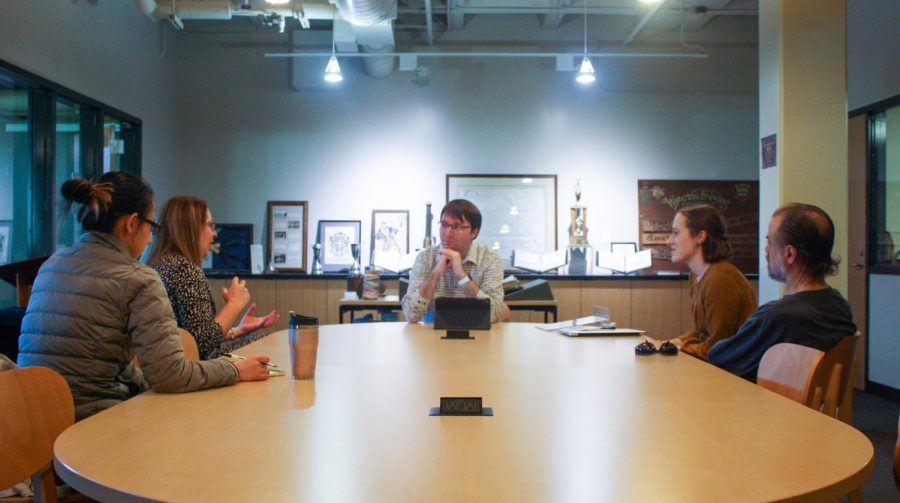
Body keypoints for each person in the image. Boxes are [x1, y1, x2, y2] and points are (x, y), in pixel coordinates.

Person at [17, 173, 269, 420]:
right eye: (151, 227)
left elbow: (102, 358)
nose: (150, 239)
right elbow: (171, 375)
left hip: (34, 419)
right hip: (93, 422)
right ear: (131, 223)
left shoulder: (51, 265)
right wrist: (234, 369)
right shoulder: (137, 278)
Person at [709, 203, 856, 381]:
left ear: (789, 254)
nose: (766, 249)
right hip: (812, 408)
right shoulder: (840, 307)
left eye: (770, 242)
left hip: (773, 406)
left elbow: (719, 357)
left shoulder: (778, 317)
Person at [147, 196, 278, 360]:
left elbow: (195, 335)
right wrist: (234, 304)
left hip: (173, 363)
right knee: (263, 341)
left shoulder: (163, 264)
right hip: (191, 369)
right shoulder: (184, 269)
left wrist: (241, 329)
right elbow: (202, 344)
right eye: (210, 225)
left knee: (257, 337)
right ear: (191, 229)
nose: (214, 233)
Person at [667, 205, 757, 360]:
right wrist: (671, 343)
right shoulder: (696, 275)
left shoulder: (720, 278)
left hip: (733, 376)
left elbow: (716, 349)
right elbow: (701, 332)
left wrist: (677, 347)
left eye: (675, 233)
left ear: (700, 237)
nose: (668, 241)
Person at [402, 199, 506, 323]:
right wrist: (435, 274)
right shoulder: (425, 258)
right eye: (444, 225)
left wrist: (462, 276)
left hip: (477, 335)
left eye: (456, 227)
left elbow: (494, 315)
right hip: (433, 337)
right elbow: (410, 315)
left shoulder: (489, 259)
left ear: (474, 232)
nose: (447, 233)